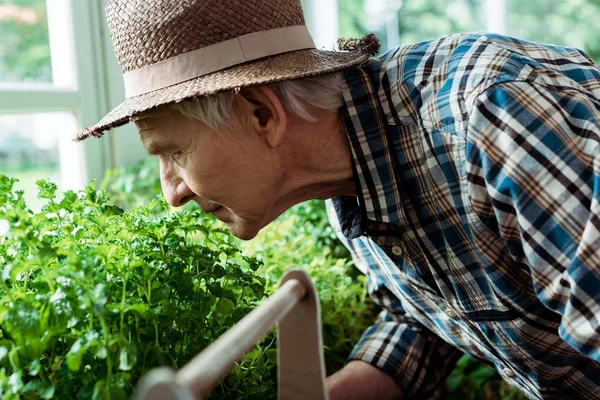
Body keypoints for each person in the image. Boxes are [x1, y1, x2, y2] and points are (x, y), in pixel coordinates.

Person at [76, 0, 600, 399]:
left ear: (261, 113)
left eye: (172, 153)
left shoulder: (495, 118)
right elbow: (424, 321)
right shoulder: (344, 180)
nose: (172, 193)